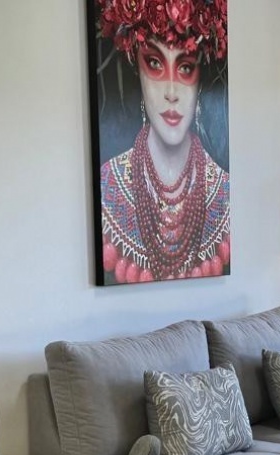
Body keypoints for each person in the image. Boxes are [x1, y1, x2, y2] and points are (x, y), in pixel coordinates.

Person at [97, 0, 230, 284]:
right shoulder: (107, 190)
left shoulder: (225, 195)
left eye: (186, 67)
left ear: (200, 80)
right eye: (155, 63)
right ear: (137, 68)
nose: (171, 91)